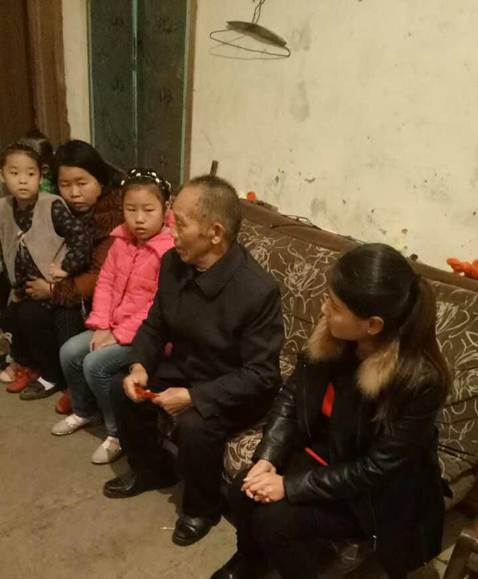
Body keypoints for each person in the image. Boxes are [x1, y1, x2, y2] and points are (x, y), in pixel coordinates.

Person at [205, 243, 451, 579]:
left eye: (334, 306)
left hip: (373, 491)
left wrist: (288, 485)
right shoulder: (334, 338)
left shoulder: (419, 379)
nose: (322, 309)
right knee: (245, 487)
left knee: (275, 520)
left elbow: (378, 469)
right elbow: (291, 397)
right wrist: (267, 458)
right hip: (324, 452)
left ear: (372, 324)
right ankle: (252, 558)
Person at [105, 174, 284, 547]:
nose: (171, 232)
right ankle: (152, 470)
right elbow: (155, 324)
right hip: (188, 366)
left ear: (215, 232)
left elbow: (261, 374)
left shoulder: (256, 290)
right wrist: (140, 364)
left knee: (195, 425)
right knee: (123, 387)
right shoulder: (174, 262)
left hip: (232, 385)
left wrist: (194, 397)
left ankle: (202, 509)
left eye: (180, 224)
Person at [51, 168, 174, 465]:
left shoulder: (169, 251)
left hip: (147, 336)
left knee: (95, 364)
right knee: (69, 352)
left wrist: (118, 334)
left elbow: (157, 307)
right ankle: (83, 410)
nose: (139, 219)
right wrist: (102, 324)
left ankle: (117, 432)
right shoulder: (120, 242)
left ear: (165, 209)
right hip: (113, 325)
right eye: (131, 209)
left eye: (148, 210)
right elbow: (105, 283)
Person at [1, 140, 123, 402]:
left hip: (95, 302)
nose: (74, 193)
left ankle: (68, 383)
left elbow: (99, 276)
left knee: (56, 314)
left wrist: (54, 290)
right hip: (59, 285)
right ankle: (30, 363)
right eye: (65, 185)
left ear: (100, 180)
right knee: (21, 306)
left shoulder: (114, 217)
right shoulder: (55, 208)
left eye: (82, 183)